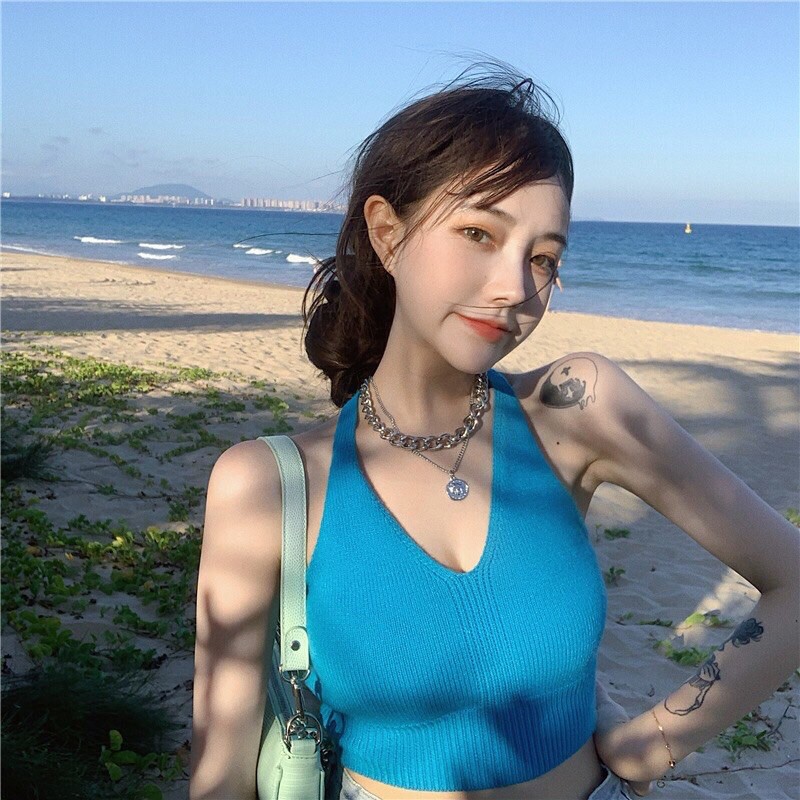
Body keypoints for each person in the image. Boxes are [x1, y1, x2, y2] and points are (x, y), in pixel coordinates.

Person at [189, 64, 799, 800]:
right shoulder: (268, 485)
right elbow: (222, 779)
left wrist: (653, 744)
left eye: (544, 257)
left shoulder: (576, 409)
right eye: (479, 233)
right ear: (387, 233)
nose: (516, 288)